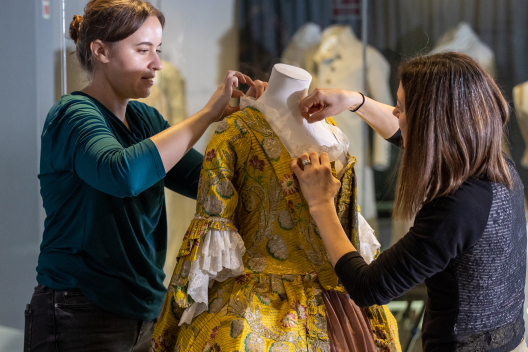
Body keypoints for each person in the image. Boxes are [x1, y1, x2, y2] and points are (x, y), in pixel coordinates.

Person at [25, 1, 264, 351]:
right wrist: (206, 115)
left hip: (144, 312)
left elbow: (210, 184)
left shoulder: (145, 120)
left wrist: (256, 121)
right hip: (79, 312)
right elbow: (122, 174)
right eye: (143, 50)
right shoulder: (72, 115)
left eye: (158, 50)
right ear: (100, 51)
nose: (157, 64)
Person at [291, 52, 527, 352]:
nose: (394, 114)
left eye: (400, 108)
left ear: (430, 122)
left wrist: (321, 203)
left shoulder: (456, 209)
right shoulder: (495, 165)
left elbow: (368, 287)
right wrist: (354, 101)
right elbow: (409, 133)